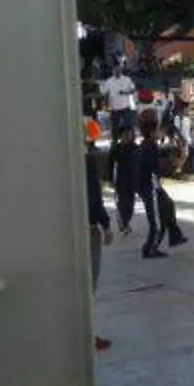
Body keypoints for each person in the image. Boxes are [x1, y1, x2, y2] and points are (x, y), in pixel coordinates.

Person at [138, 113, 187, 259]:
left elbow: (163, 155)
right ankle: (149, 248)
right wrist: (178, 160)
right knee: (157, 219)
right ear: (152, 133)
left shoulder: (150, 145)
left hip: (153, 185)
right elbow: (162, 167)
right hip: (149, 187)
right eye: (158, 130)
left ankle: (174, 235)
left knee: (168, 206)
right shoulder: (148, 148)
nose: (161, 133)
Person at [85, 119, 114, 352]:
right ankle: (88, 336)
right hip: (88, 230)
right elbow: (93, 198)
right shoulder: (86, 163)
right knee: (88, 288)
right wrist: (105, 224)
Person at [106, 126, 138, 234]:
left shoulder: (135, 147)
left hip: (132, 179)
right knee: (122, 202)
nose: (128, 136)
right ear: (121, 136)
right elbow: (110, 165)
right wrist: (110, 179)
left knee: (130, 204)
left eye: (130, 134)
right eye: (126, 134)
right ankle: (123, 224)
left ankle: (126, 221)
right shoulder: (116, 148)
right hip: (121, 179)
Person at [100, 62, 137, 132]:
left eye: (118, 70)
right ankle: (115, 141)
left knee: (128, 126)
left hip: (126, 107)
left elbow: (133, 90)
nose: (117, 71)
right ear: (112, 71)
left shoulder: (127, 79)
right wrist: (106, 105)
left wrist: (125, 93)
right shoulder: (109, 81)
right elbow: (104, 93)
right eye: (115, 70)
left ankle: (130, 140)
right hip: (114, 108)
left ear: (121, 70)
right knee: (115, 127)